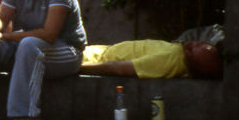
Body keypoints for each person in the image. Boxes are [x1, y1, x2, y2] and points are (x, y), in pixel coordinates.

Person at [80, 39, 223, 79]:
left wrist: (78, 67)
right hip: (97, 51)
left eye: (192, 49)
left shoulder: (170, 60)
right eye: (196, 44)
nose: (192, 44)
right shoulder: (177, 53)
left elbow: (120, 69)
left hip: (91, 58)